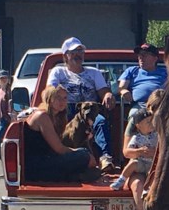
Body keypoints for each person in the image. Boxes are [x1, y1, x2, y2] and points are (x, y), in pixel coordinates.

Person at [46, 37, 118, 173]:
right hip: (65, 109)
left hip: (90, 110)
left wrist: (108, 95)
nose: (78, 55)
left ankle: (105, 159)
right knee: (61, 126)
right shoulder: (58, 72)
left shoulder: (94, 72)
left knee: (101, 122)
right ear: (65, 56)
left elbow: (104, 91)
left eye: (80, 52)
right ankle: (59, 159)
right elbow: (50, 91)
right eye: (73, 52)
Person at [23, 85, 96, 182]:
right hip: (38, 166)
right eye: (58, 97)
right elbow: (59, 149)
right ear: (49, 99)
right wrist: (83, 154)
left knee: (83, 153)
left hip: (48, 160)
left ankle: (77, 176)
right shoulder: (42, 116)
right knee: (84, 156)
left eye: (65, 98)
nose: (62, 101)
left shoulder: (57, 117)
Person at [110, 108, 157, 210]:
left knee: (154, 188)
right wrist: (140, 151)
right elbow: (127, 152)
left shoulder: (157, 134)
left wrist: (155, 152)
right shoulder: (136, 134)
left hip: (154, 166)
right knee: (137, 186)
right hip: (140, 164)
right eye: (148, 121)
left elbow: (165, 149)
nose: (151, 123)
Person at [117, 43, 167, 118]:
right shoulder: (131, 71)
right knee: (133, 116)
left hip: (161, 105)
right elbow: (121, 87)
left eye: (145, 55)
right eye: (139, 55)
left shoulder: (165, 72)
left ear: (155, 58)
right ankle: (129, 130)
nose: (141, 57)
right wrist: (124, 91)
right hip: (140, 105)